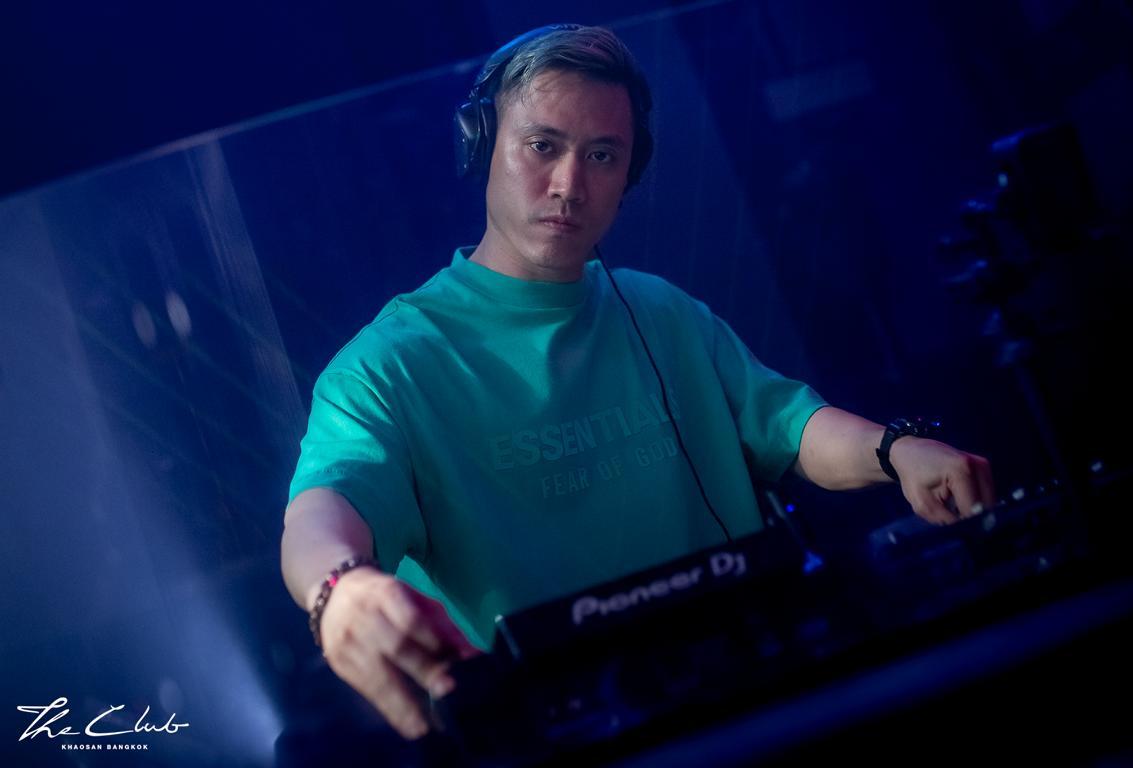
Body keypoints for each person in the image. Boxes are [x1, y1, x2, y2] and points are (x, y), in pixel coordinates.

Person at [280, 23, 996, 741]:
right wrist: (338, 589)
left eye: (602, 155)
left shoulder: (661, 309)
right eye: (542, 146)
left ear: (631, 172)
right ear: (481, 145)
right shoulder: (386, 364)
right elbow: (323, 508)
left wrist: (896, 450)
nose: (570, 185)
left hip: (757, 697)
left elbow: (788, 425)